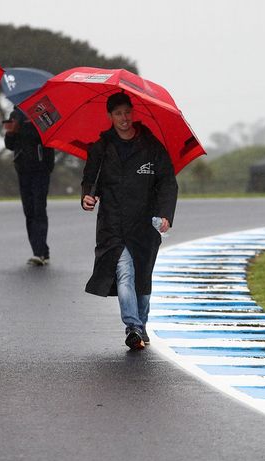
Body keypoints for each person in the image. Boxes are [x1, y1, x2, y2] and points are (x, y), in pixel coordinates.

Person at [81, 92, 178, 350]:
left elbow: (168, 182)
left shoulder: (151, 147)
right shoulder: (101, 148)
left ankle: (141, 325)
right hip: (112, 225)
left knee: (142, 280)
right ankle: (132, 326)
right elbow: (90, 180)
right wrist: (87, 198)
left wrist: (166, 214)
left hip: (145, 225)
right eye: (117, 114)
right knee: (125, 273)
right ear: (110, 117)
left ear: (132, 112)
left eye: (127, 112)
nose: (124, 118)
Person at [3, 107, 55, 266]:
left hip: (41, 169)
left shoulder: (45, 110)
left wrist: (24, 129)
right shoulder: (15, 113)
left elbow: (48, 136)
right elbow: (9, 145)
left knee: (39, 209)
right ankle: (40, 251)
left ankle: (39, 253)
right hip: (23, 170)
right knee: (29, 211)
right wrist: (11, 133)